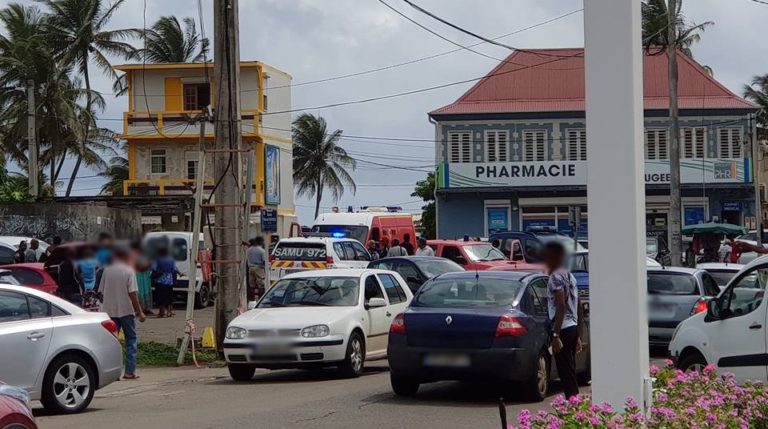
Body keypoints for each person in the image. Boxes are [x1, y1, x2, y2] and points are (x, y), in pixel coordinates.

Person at [98, 245, 145, 380]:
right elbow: (132, 293)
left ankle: (113, 373)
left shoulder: (107, 270)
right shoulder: (129, 271)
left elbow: (101, 291)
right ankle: (129, 371)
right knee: (131, 340)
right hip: (126, 311)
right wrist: (140, 311)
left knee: (112, 342)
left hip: (110, 312)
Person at [544, 241, 583, 399]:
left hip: (563, 328)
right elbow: (579, 305)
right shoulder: (570, 275)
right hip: (572, 327)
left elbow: (560, 306)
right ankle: (576, 406)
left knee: (565, 372)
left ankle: (574, 408)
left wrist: (555, 335)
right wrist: (579, 334)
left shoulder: (555, 277)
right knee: (570, 370)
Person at [151, 246, 177, 318]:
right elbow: (174, 268)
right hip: (169, 281)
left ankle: (161, 312)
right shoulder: (171, 258)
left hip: (160, 281)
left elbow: (153, 267)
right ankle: (169, 312)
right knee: (169, 297)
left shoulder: (157, 258)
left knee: (160, 297)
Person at [132, 241, 153, 315]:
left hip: (145, 275)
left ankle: (147, 308)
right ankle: (140, 309)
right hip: (139, 275)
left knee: (146, 291)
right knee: (140, 291)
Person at [247, 237, 267, 301]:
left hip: (250, 268)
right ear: (260, 242)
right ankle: (261, 299)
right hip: (259, 268)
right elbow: (264, 261)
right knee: (261, 284)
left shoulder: (249, 250)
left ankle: (251, 300)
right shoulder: (261, 251)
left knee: (251, 284)